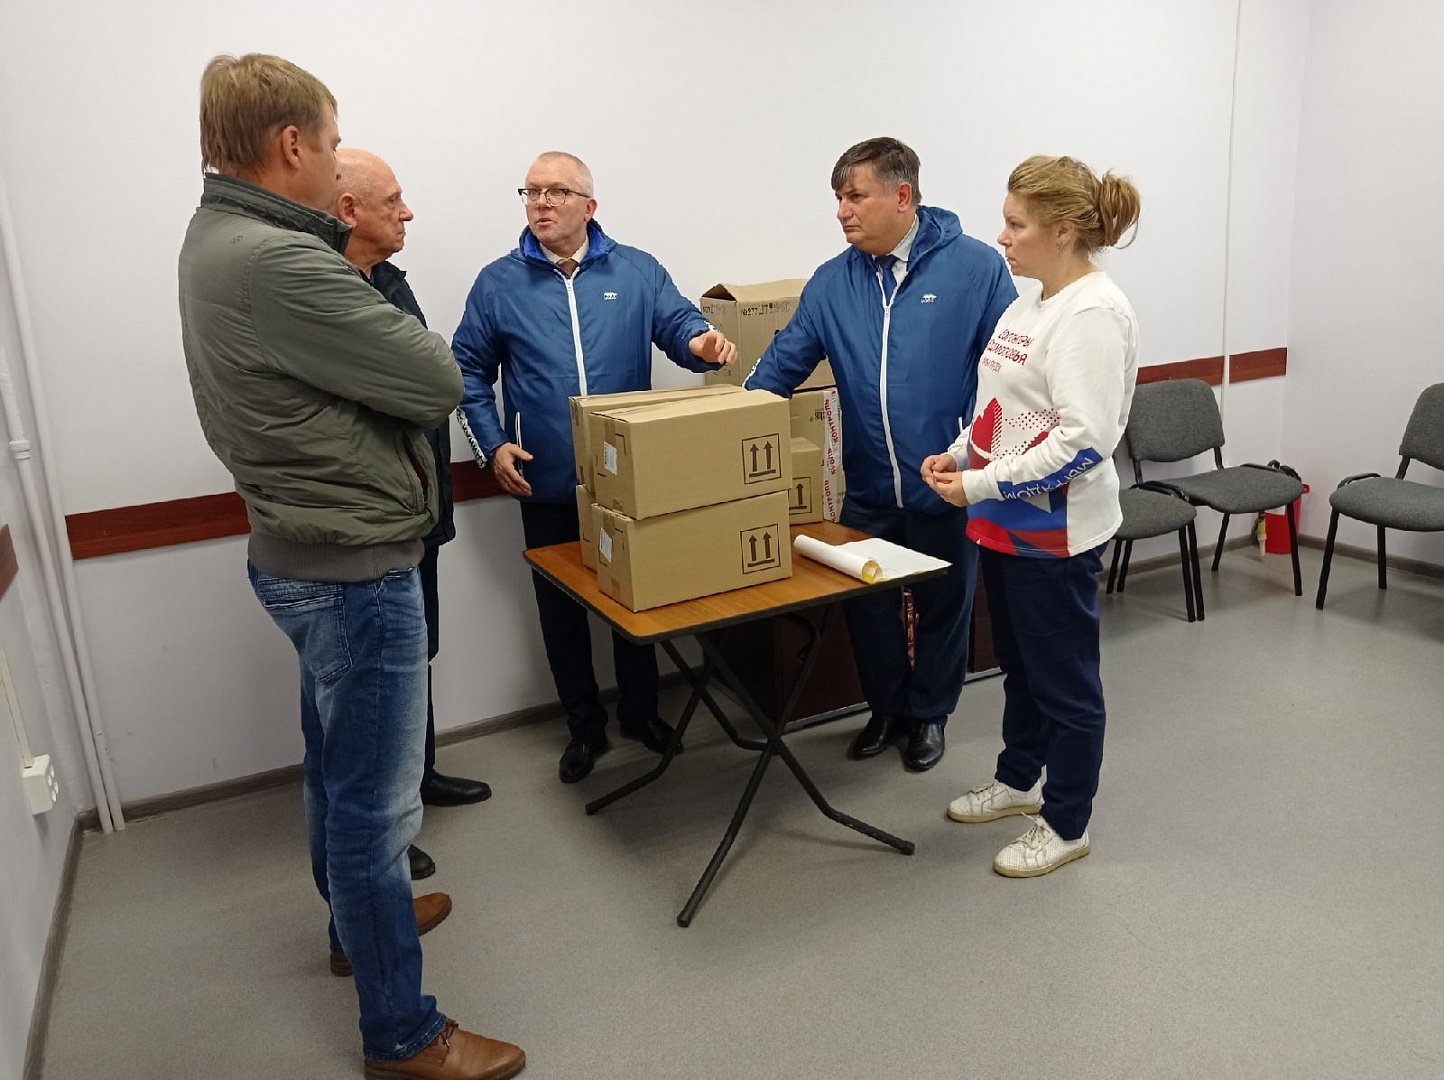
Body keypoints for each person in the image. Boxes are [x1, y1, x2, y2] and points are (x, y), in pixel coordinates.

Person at [178, 54, 524, 1079]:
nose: (336, 165)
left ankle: (354, 925)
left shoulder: (218, 237)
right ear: (292, 144)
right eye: (330, 143)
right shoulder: (282, 261)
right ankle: (403, 1035)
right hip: (352, 569)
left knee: (338, 773)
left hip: (305, 552)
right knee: (376, 811)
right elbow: (435, 375)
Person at [453, 151, 736, 784]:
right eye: (532, 192)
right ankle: (584, 726)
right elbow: (466, 370)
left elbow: (679, 324)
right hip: (545, 479)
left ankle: (641, 713)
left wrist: (702, 342)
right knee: (561, 612)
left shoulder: (635, 270)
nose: (541, 203)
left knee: (634, 599)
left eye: (557, 191)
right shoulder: (498, 284)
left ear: (589, 205)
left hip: (625, 480)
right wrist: (492, 446)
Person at [745, 137, 1016, 771]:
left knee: (945, 605)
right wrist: (729, 419)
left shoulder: (975, 268)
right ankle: (887, 708)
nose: (842, 211)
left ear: (902, 196)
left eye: (855, 196)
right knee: (869, 606)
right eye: (838, 198)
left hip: (946, 482)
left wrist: (980, 462)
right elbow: (780, 367)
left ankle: (930, 715)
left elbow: (1008, 375)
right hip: (867, 486)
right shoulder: (831, 282)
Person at [924, 155, 1141, 878]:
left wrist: (981, 483)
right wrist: (960, 454)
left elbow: (1085, 442)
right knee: (1020, 665)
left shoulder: (1092, 314)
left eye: (1017, 224)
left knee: (1065, 683)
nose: (1003, 237)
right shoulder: (1030, 305)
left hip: (1056, 533)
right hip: (1004, 523)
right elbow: (1001, 407)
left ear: (1064, 230)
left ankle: (1067, 821)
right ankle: (1019, 781)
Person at [333, 148, 492, 885]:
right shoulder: (325, 293)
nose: (408, 212)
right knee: (373, 682)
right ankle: (388, 826)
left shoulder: (390, 281)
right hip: (371, 524)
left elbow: (435, 381)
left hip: (419, 512)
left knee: (414, 655)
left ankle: (419, 779)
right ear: (349, 210)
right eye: (393, 200)